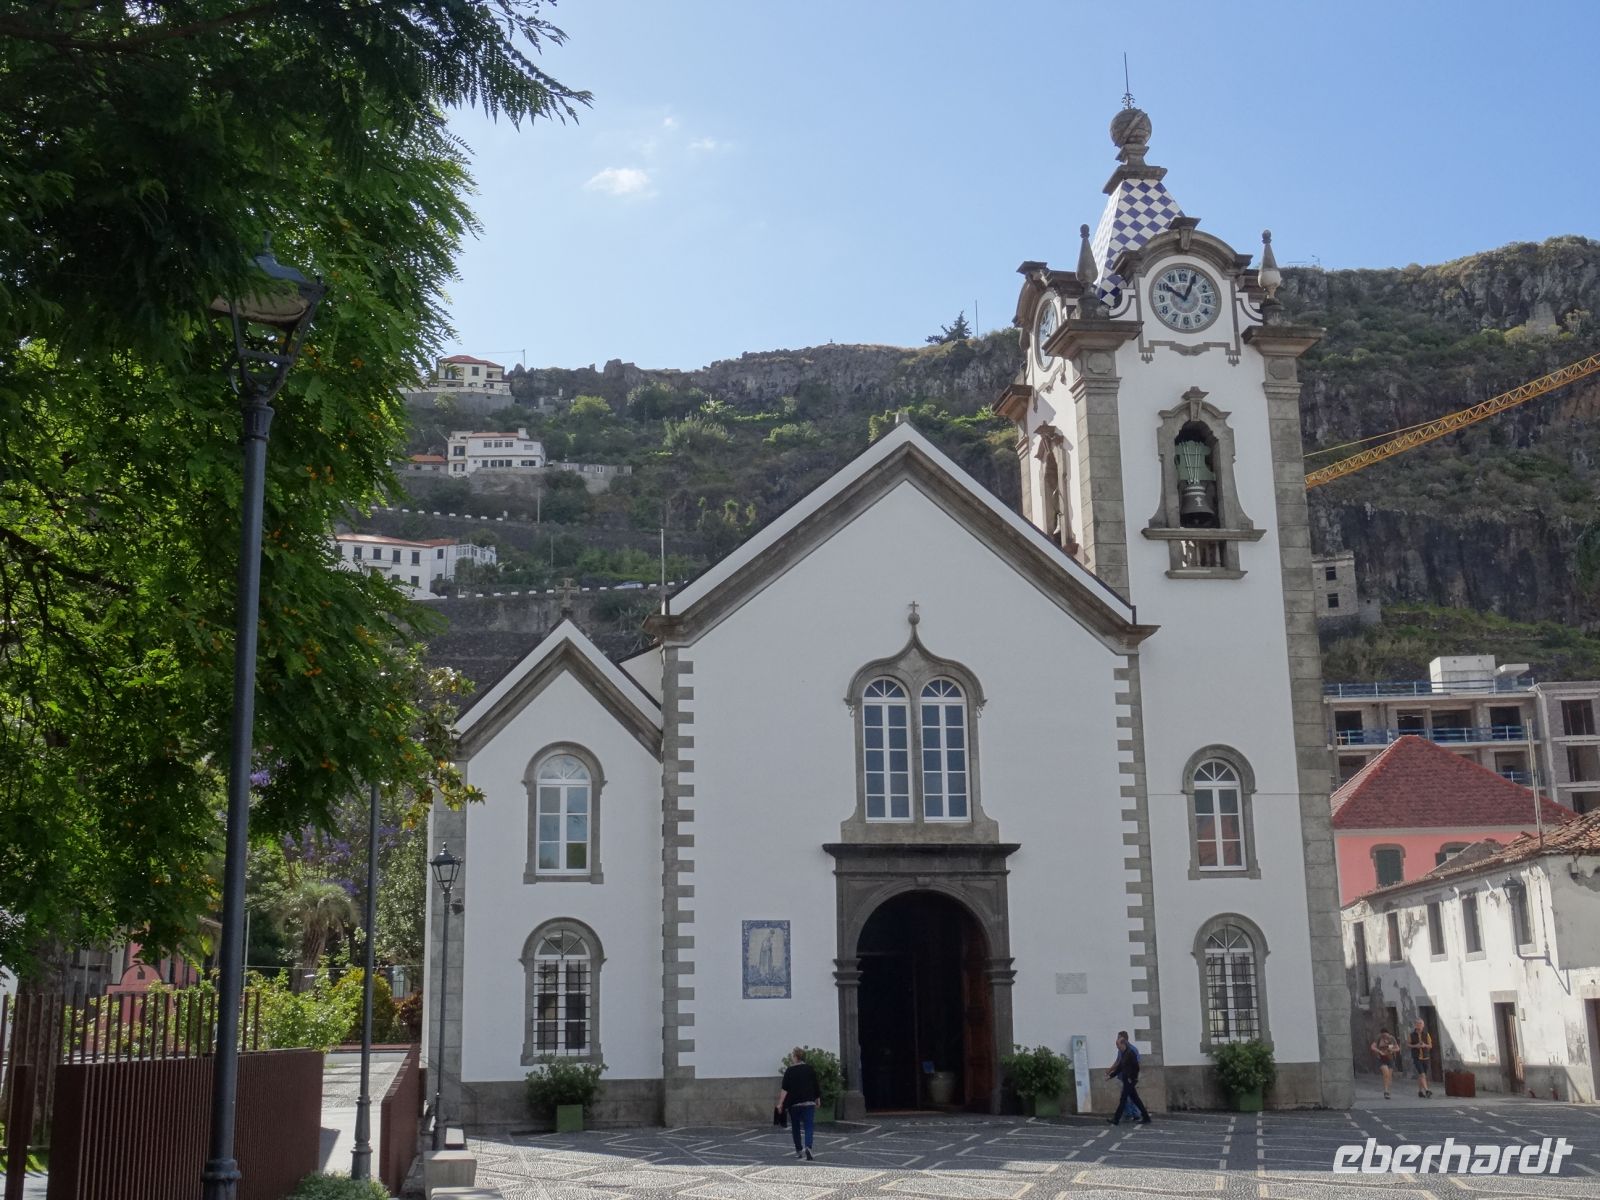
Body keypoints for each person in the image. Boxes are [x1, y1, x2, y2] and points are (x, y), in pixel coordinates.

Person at [776, 1046, 821, 1160]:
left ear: (795, 1057)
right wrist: (817, 1098)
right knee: (809, 1125)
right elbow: (815, 1084)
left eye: (792, 1055)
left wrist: (780, 1103)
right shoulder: (809, 1069)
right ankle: (808, 1147)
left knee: (795, 1127)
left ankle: (799, 1150)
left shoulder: (790, 1071)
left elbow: (785, 1089)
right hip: (809, 1101)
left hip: (794, 1103)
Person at [1104, 1031, 1151, 1125]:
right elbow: (1120, 1067)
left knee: (1123, 1099)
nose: (1118, 1048)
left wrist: (1132, 1078)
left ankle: (1116, 1119)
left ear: (1123, 1043)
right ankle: (1146, 1117)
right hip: (1127, 1080)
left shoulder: (1131, 1053)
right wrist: (1111, 1076)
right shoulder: (1124, 1053)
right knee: (1136, 1099)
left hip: (1130, 1080)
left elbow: (1136, 1067)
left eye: (1118, 1046)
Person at [1370, 1029, 1400, 1099]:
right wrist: (1379, 1051)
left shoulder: (1392, 1038)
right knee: (1385, 1073)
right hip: (1381, 1058)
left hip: (1390, 1058)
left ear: (1388, 1034)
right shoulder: (1378, 1038)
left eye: (1386, 1036)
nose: (1385, 1037)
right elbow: (1372, 1047)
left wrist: (1391, 1050)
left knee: (1389, 1076)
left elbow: (1397, 1048)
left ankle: (1388, 1091)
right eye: (1383, 1036)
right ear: (1381, 1034)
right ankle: (1386, 1091)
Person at [1408, 1018, 1433, 1098]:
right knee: (1422, 1074)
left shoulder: (1426, 1034)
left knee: (1422, 1075)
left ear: (1423, 1025)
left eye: (1421, 1024)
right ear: (1415, 1025)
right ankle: (1427, 1090)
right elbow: (1408, 1045)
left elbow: (1430, 1045)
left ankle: (1420, 1091)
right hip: (1417, 1057)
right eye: (1418, 1024)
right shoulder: (1411, 1035)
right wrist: (1416, 1046)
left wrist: (1424, 1045)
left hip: (1425, 1057)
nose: (1420, 1026)